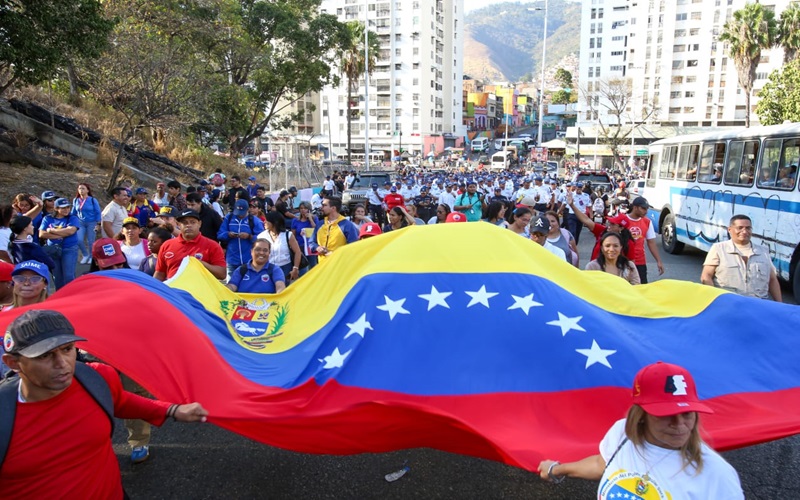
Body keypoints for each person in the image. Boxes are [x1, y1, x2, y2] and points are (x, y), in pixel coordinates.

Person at [0, 310, 209, 496]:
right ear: (13, 363)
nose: (62, 364)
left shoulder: (96, 378)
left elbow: (120, 400)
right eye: (45, 355)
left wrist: (172, 410)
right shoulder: (5, 414)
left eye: (67, 349)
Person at [537, 362, 744, 499]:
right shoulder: (622, 433)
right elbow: (602, 463)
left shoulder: (717, 476)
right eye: (666, 414)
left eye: (687, 414)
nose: (679, 424)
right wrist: (557, 469)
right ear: (641, 415)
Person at [700, 214, 781, 301]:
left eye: (748, 228)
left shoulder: (763, 251)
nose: (744, 231)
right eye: (740, 228)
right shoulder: (718, 249)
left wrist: (780, 305)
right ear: (730, 230)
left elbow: (772, 280)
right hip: (729, 303)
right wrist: (713, 300)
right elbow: (706, 276)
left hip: (758, 304)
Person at [154, 210, 227, 281]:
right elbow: (160, 273)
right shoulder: (167, 245)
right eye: (184, 223)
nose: (188, 225)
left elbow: (222, 274)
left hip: (200, 292)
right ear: (178, 224)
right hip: (173, 291)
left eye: (193, 222)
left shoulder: (212, 245)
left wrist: (202, 264)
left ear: (199, 224)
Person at [39, 198, 80, 290]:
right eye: (63, 208)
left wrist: (52, 231)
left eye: (68, 207)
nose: (66, 210)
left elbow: (71, 231)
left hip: (69, 249)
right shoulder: (48, 218)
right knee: (57, 277)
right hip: (53, 249)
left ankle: (71, 296)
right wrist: (60, 235)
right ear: (56, 208)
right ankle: (60, 297)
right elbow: (42, 234)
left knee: (68, 275)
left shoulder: (72, 218)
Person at [218, 200, 265, 278]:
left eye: (242, 212)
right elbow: (220, 235)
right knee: (231, 285)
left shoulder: (255, 221)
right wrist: (228, 234)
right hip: (232, 260)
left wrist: (249, 236)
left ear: (247, 210)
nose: (240, 215)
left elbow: (263, 239)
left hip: (249, 260)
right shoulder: (228, 218)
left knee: (248, 286)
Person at [257, 211, 304, 284]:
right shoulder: (261, 236)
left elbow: (297, 252)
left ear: (274, 222)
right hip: (268, 269)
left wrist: (295, 268)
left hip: (285, 269)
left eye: (267, 220)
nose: (264, 222)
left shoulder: (288, 235)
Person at [626, 196, 665, 284]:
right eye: (643, 208)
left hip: (640, 262)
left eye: (647, 208)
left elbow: (651, 243)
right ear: (635, 207)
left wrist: (658, 261)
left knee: (641, 289)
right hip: (623, 261)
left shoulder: (647, 222)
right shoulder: (622, 220)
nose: (646, 211)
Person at [309, 196, 359, 262]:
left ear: (333, 208)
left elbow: (353, 247)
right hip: (322, 266)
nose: (321, 207)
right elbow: (311, 242)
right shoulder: (320, 224)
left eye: (324, 205)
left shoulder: (347, 225)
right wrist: (317, 247)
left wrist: (335, 254)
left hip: (339, 266)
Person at [71, 183, 102, 265]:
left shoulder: (92, 200)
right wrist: (70, 220)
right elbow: (73, 212)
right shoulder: (76, 200)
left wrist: (98, 223)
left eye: (83, 188)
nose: (81, 190)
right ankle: (85, 254)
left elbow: (98, 212)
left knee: (90, 241)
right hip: (80, 222)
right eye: (80, 188)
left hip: (92, 222)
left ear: (87, 190)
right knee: (79, 239)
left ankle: (92, 257)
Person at [291, 202, 319, 271]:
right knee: (303, 268)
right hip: (300, 246)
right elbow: (293, 234)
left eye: (305, 208)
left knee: (313, 265)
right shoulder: (295, 220)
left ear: (309, 209)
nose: (303, 210)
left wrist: (310, 219)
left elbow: (317, 230)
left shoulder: (314, 218)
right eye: (301, 208)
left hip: (310, 246)